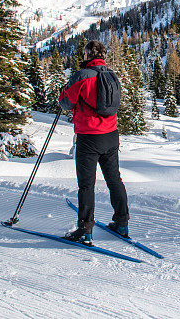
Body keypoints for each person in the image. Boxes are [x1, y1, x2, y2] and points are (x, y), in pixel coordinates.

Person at [58, 40, 129, 245]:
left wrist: (64, 90)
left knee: (86, 185)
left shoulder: (81, 76)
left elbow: (66, 103)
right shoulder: (111, 75)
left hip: (88, 136)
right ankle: (122, 222)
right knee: (114, 179)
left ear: (88, 55)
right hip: (111, 134)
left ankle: (85, 229)